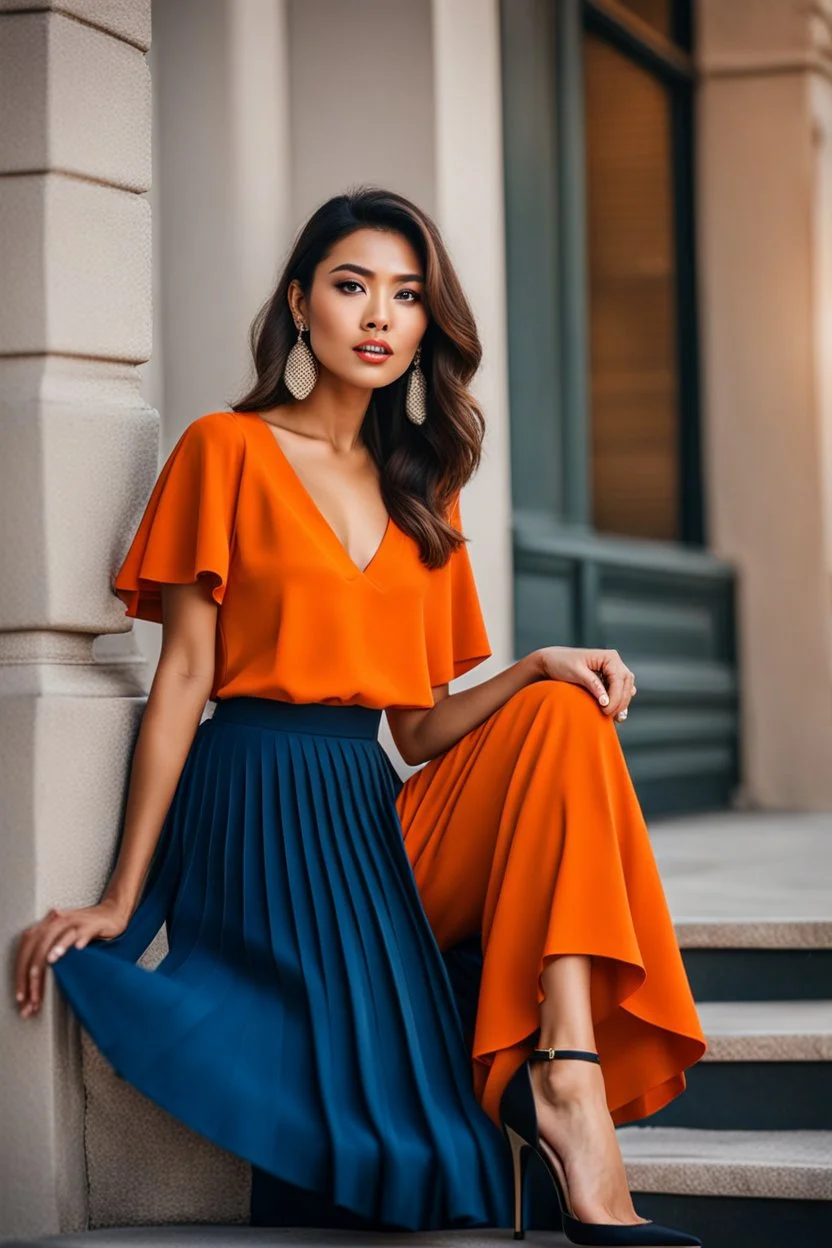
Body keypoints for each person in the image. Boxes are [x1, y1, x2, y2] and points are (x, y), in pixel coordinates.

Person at [13, 187, 706, 1244]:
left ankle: (565, 1072)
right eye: (351, 287)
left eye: (407, 295)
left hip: (372, 821)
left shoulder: (423, 483)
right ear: (301, 304)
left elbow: (418, 731)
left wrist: (530, 671)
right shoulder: (224, 450)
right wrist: (121, 896)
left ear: (429, 322)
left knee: (566, 713)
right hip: (254, 811)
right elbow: (184, 681)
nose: (380, 316)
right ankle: (555, 1089)